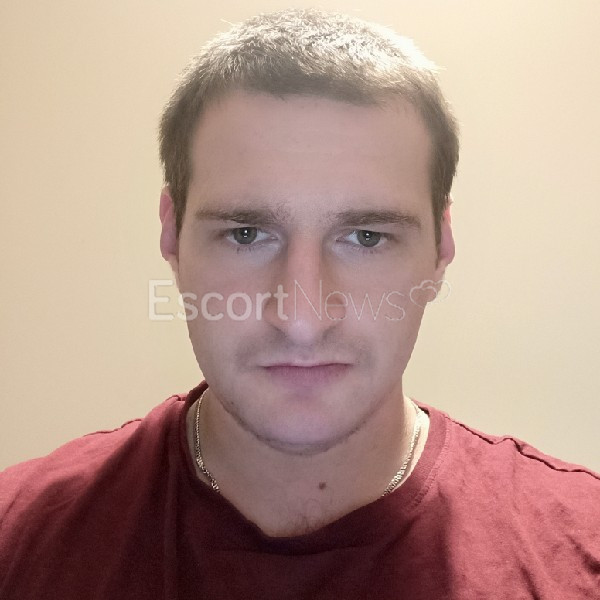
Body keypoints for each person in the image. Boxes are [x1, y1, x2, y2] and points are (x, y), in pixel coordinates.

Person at [1, 8, 598, 599]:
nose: (302, 319)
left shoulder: (580, 552)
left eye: (366, 237)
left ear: (441, 248)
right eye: (245, 234)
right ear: (172, 235)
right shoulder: (16, 541)